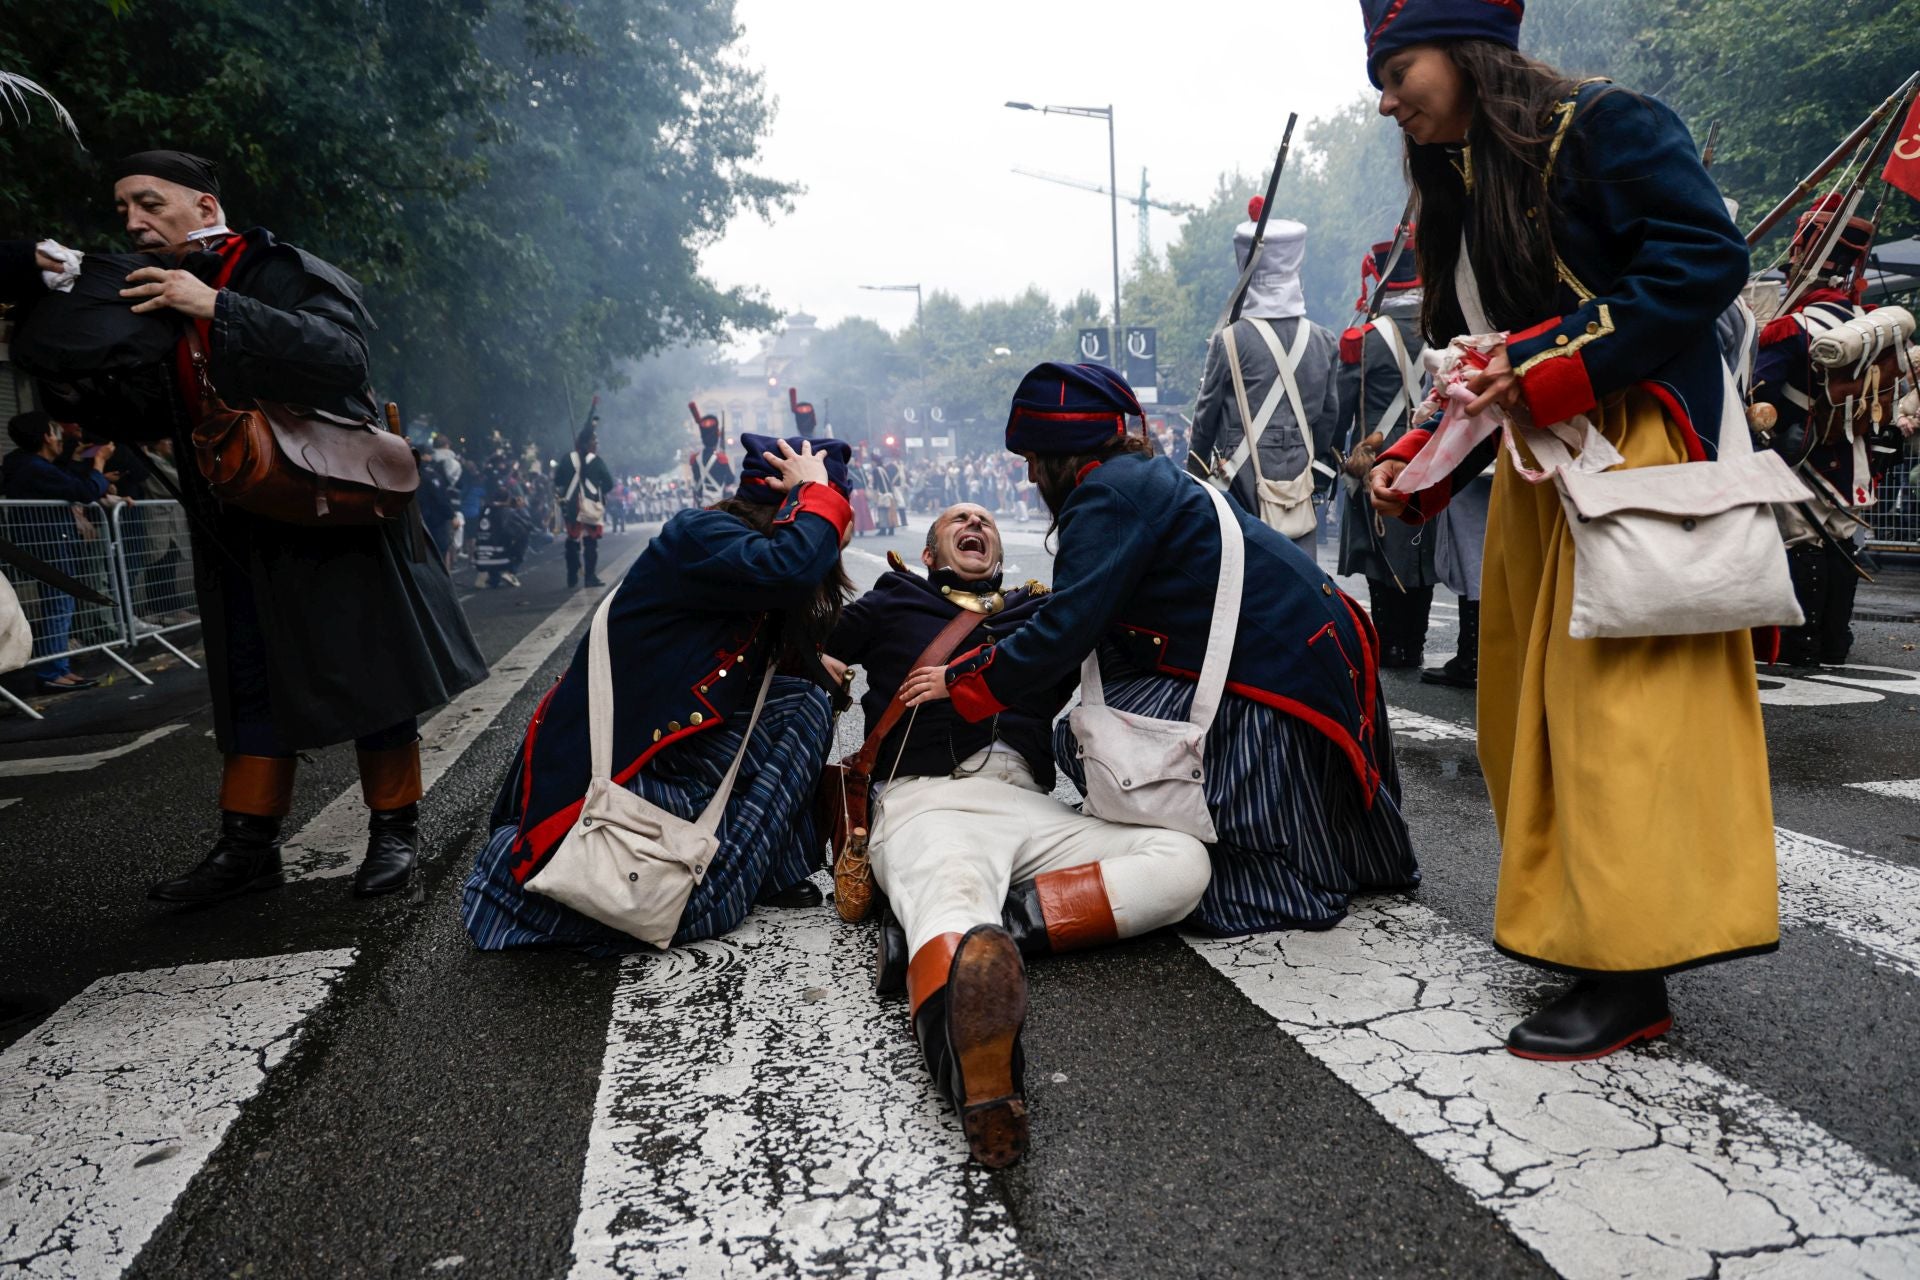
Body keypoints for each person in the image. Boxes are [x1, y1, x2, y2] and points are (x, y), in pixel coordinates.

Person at [1359, 0, 1773, 1059]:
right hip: (1542, 469)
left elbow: (1700, 261)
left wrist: (1549, 363)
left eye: (1399, 67)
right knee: (1523, 717)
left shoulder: (1606, 124)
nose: (1385, 95)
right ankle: (1581, 926)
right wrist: (1420, 453)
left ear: (1462, 52)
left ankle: (1629, 973)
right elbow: (1473, 361)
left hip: (1630, 449)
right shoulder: (1450, 182)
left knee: (1611, 722)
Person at [3, 149, 487, 900]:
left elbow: (342, 356)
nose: (132, 221)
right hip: (232, 519)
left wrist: (216, 307)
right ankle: (249, 847)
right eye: (123, 209)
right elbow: (139, 413)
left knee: (370, 673)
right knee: (247, 678)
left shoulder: (276, 268)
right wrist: (64, 364)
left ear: (202, 207)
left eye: (149, 203)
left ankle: (395, 833)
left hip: (328, 506)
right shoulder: (148, 298)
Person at [903, 362, 1418, 940]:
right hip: (1316, 659)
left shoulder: (1104, 497)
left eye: (1032, 461)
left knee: (1079, 735)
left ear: (1056, 457)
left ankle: (1247, 862)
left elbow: (1067, 629)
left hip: (1275, 682)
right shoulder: (1143, 476)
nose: (1028, 477)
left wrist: (962, 681)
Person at [825, 502, 1210, 1168]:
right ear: (931, 552)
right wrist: (822, 657)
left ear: (998, 551)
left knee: (1182, 862)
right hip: (927, 803)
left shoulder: (1041, 616)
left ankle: (998, 930)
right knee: (950, 896)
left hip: (1030, 807)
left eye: (986, 521)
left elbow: (1132, 633)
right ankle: (979, 1081)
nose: (975, 522)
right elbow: (809, 644)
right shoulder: (894, 599)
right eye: (957, 520)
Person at [462, 437, 852, 953]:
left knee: (802, 697)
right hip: (624, 771)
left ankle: (765, 869)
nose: (838, 531)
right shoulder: (701, 533)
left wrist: (805, 661)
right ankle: (713, 890)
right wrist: (816, 494)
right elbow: (788, 567)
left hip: (673, 756)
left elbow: (731, 651)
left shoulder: (743, 554)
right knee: (696, 902)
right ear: (797, 505)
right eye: (833, 512)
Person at [1750, 195, 1905, 668]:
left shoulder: (1791, 327)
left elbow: (1762, 392)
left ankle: (1801, 643)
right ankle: (1835, 642)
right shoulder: (1867, 324)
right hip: (1853, 452)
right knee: (1839, 539)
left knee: (1802, 541)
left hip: (1803, 453)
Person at [1190, 201, 1342, 556]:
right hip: (1301, 493)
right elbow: (1329, 421)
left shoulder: (1230, 339)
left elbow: (1206, 416)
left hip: (1240, 492)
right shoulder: (1324, 340)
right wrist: (1318, 475)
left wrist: (1196, 479)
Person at [1336, 231, 1440, 668]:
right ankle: (1413, 644)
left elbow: (1341, 404)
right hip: (1435, 450)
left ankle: (1391, 644)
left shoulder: (1365, 338)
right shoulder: (1443, 329)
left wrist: (1334, 456)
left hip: (1380, 455)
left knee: (1381, 558)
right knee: (1423, 549)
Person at [1, 412, 112, 692]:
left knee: (61, 605)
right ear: (46, 436)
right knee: (58, 605)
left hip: (49, 542)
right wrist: (98, 463)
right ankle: (52, 670)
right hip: (48, 543)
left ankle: (59, 666)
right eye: (55, 431)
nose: (60, 437)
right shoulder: (33, 467)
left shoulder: (30, 465)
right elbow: (84, 490)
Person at [553, 418, 613, 589]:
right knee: (590, 542)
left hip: (572, 507)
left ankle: (572, 574)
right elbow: (608, 483)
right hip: (590, 507)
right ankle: (589, 577)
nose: (597, 443)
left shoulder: (566, 459)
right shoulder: (597, 461)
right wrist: (597, 490)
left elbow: (558, 480)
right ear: (587, 443)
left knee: (572, 541)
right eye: (595, 440)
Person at [687, 403, 735, 507]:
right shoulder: (721, 458)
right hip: (717, 504)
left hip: (700, 504)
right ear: (717, 437)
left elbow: (696, 477)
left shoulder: (694, 459)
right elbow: (731, 478)